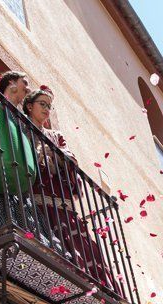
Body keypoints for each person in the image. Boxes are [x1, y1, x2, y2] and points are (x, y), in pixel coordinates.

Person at [23, 87, 113, 290]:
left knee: (82, 247)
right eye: (42, 104)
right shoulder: (21, 129)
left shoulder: (55, 136)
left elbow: (71, 159)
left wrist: (54, 153)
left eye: (49, 106)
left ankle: (96, 288)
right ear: (29, 106)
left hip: (63, 204)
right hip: (37, 201)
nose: (47, 109)